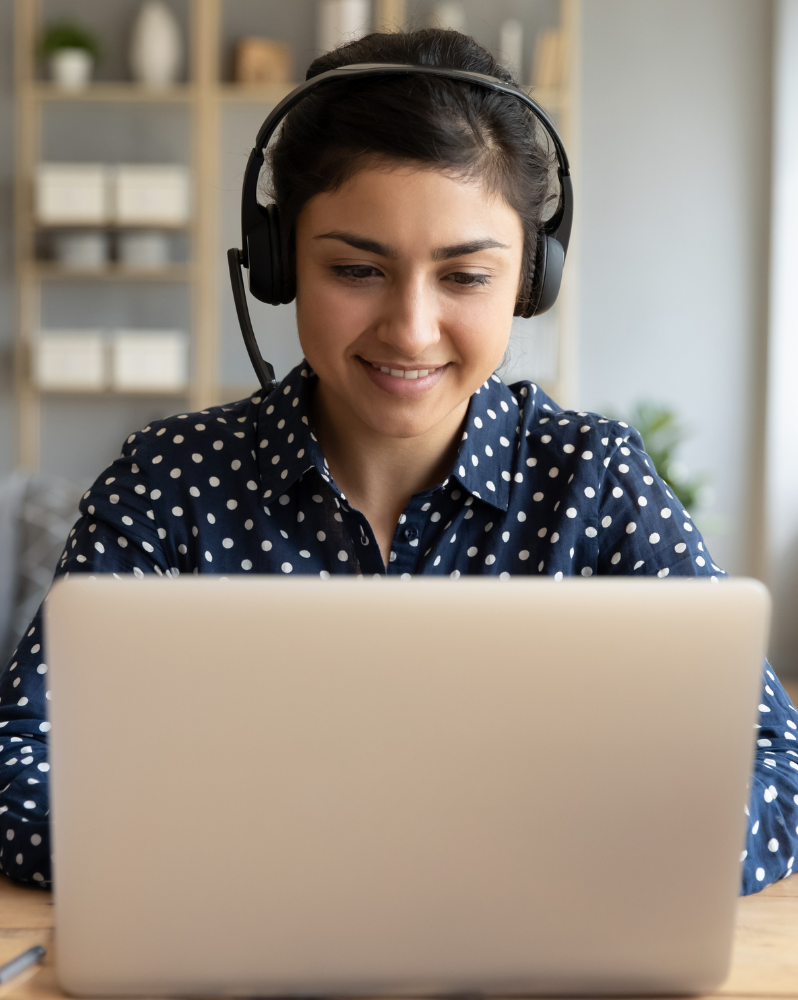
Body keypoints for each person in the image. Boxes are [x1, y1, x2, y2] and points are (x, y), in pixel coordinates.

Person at [1, 28, 796, 893]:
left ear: (533, 279)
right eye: (356, 269)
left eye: (464, 278)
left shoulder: (594, 483)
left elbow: (770, 767)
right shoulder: (169, 483)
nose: (411, 330)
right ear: (279, 266)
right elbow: (23, 761)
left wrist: (541, 858)